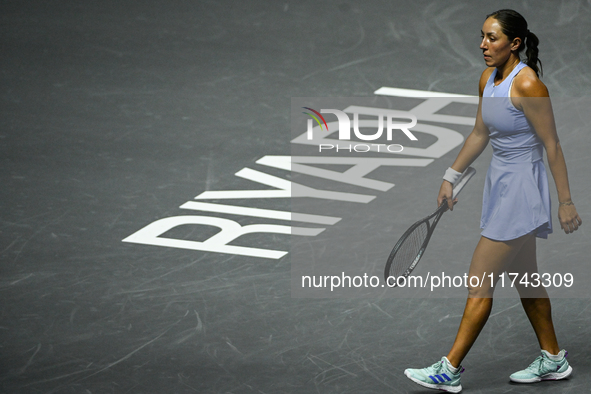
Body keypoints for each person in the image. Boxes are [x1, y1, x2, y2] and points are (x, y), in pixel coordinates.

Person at [403, 9, 582, 393]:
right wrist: (450, 176)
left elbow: (552, 144)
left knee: (478, 282)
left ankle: (448, 369)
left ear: (514, 43)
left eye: (493, 38)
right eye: (482, 36)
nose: (483, 45)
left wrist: (564, 201)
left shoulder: (529, 84)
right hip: (499, 186)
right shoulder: (488, 78)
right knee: (526, 279)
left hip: (522, 192)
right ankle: (552, 358)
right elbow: (480, 133)